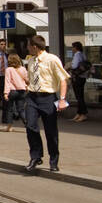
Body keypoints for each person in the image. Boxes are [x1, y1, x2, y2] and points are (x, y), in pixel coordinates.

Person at [23, 35, 68, 173]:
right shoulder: (30, 61)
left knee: (51, 131)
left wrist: (62, 99)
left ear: (34, 46)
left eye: (28, 46)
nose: (27, 48)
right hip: (32, 97)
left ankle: (54, 160)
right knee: (30, 125)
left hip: (48, 98)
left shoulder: (52, 59)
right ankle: (36, 156)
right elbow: (31, 79)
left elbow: (63, 80)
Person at [2, 52, 27, 132]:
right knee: (21, 109)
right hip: (22, 91)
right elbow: (26, 79)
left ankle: (9, 127)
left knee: (9, 109)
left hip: (12, 91)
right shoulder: (23, 69)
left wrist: (6, 93)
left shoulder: (8, 69)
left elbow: (7, 81)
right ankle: (27, 124)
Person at [68, 41, 90, 123]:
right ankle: (79, 113)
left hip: (77, 77)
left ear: (75, 48)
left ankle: (83, 114)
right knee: (80, 95)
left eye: (73, 47)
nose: (72, 49)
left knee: (79, 96)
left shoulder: (77, 55)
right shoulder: (82, 54)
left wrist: (69, 65)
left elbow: (74, 66)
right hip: (82, 77)